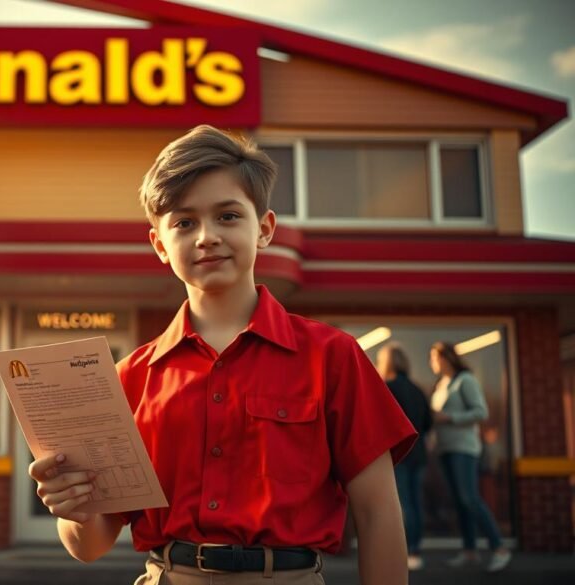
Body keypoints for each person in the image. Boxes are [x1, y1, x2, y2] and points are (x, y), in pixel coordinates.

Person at [28, 125, 417, 584]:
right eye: (184, 222)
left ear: (265, 229)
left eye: (228, 216)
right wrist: (72, 508)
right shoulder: (130, 378)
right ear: (159, 244)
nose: (206, 236)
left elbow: (378, 516)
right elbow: (90, 545)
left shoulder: (333, 357)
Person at [429, 341, 511, 572]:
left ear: (447, 358)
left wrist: (450, 418)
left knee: (470, 498)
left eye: (435, 357)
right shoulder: (441, 384)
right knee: (459, 501)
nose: (432, 362)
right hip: (445, 449)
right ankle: (469, 551)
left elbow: (481, 411)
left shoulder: (465, 380)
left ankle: (499, 548)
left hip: (464, 449)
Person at [377, 343, 432, 571]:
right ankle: (416, 549)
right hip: (418, 453)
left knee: (402, 503)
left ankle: (404, 551)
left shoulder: (386, 387)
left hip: (397, 453)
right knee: (415, 503)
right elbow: (428, 423)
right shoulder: (418, 389)